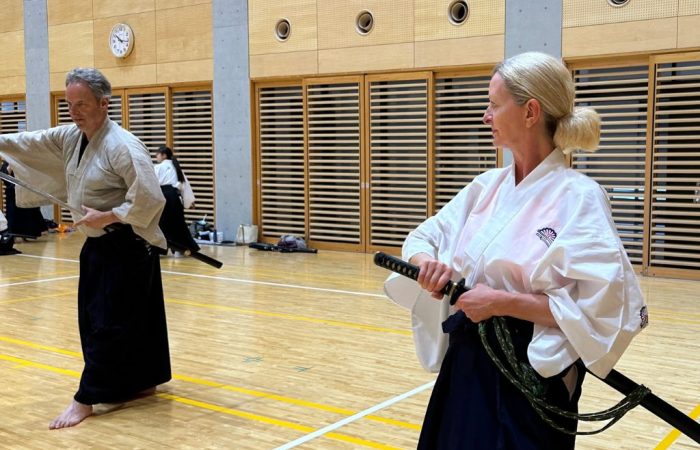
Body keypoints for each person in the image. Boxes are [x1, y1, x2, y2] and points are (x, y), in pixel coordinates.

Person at [385, 52, 648, 449]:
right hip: (469, 360)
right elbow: (423, 238)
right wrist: (429, 265)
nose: (485, 116)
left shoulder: (580, 197)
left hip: (531, 375)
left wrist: (502, 302)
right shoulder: (486, 187)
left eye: (493, 105)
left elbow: (602, 309)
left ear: (530, 112)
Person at [0, 68, 171, 429]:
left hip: (127, 246)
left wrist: (108, 214)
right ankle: (142, 381)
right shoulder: (71, 137)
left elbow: (150, 198)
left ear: (103, 103)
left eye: (81, 104)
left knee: (105, 324)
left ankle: (86, 399)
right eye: (69, 104)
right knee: (134, 320)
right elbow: (30, 141)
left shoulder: (122, 145)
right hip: (99, 246)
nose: (74, 111)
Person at [154, 145, 199, 255]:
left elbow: (152, 184)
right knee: (179, 224)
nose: (156, 156)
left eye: (158, 154)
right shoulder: (176, 167)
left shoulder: (157, 168)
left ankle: (160, 249)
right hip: (174, 197)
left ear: (164, 155)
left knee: (161, 223)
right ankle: (186, 248)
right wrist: (189, 202)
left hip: (162, 196)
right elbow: (185, 186)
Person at [1, 160, 48, 239]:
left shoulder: (25, 159)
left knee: (29, 211)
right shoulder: (8, 161)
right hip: (12, 192)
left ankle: (28, 233)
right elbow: (3, 175)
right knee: (13, 212)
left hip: (26, 190)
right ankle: (13, 233)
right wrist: (11, 166)